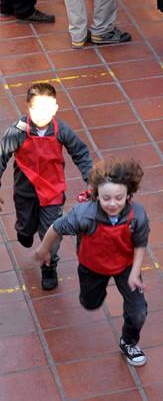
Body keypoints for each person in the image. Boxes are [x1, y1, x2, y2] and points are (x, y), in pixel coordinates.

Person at [35, 157, 150, 367]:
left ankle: (129, 342)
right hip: (92, 266)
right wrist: (44, 249)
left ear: (129, 194)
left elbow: (141, 243)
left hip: (125, 266)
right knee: (90, 303)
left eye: (119, 197)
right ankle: (95, 293)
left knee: (139, 311)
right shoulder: (84, 215)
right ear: (96, 195)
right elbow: (56, 228)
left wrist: (135, 272)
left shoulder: (137, 215)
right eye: (106, 198)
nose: (113, 203)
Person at [0, 82, 91, 290]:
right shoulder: (17, 132)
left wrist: (91, 179)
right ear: (26, 107)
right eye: (35, 108)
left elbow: (81, 153)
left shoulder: (61, 131)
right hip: (25, 193)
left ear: (55, 109)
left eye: (46, 109)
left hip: (53, 193)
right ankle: (24, 230)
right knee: (27, 226)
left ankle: (49, 266)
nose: (41, 114)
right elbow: (1, 156)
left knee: (52, 233)